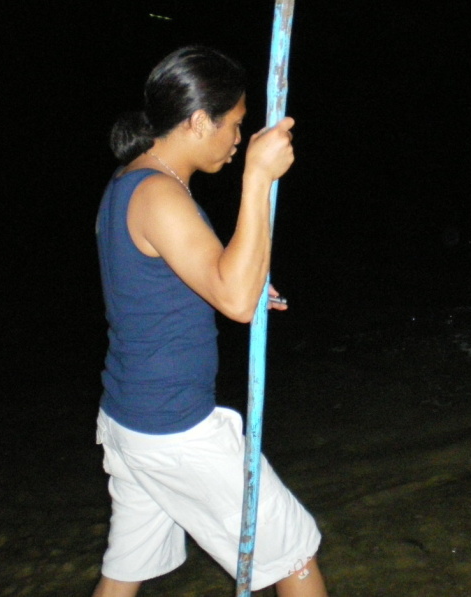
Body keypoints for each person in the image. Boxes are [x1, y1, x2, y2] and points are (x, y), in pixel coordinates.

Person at [91, 46, 328, 597]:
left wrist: (232, 278)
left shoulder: (132, 180)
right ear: (200, 121)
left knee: (122, 576)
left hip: (131, 420)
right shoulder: (159, 194)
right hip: (176, 430)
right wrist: (257, 180)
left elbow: (175, 280)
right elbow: (237, 304)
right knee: (295, 557)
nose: (239, 139)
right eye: (237, 125)